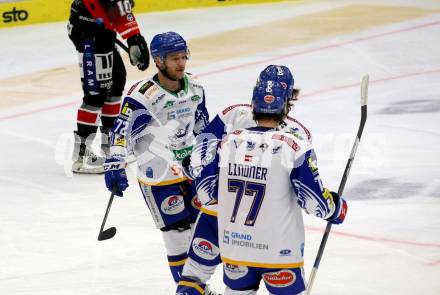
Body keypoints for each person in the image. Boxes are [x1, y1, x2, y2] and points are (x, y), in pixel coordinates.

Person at [180, 71, 347, 295]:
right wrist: (336, 208)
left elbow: (199, 162)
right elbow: (314, 201)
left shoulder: (228, 140)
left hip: (234, 243)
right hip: (277, 249)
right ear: (287, 101)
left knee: (196, 276)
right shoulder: (295, 142)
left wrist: (202, 188)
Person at [103, 31, 211, 288]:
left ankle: (195, 287)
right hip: (158, 176)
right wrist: (114, 165)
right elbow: (120, 131)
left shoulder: (195, 87)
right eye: (174, 58)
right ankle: (190, 291)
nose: (181, 63)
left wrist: (211, 155)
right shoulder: (143, 95)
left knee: (201, 230)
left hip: (190, 171)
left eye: (184, 56)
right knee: (176, 236)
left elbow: (202, 126)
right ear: (159, 61)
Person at [68, 0, 150, 173]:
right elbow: (108, 10)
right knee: (95, 94)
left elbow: (119, 9)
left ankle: (110, 145)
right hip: (88, 34)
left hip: (102, 33)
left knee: (116, 83)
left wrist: (134, 38)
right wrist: (119, 31)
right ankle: (81, 156)